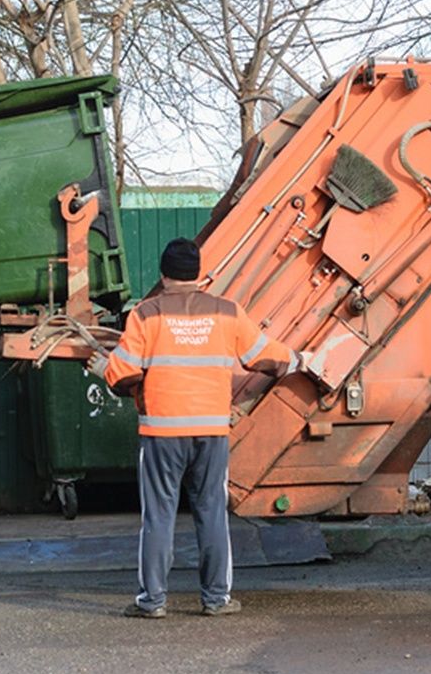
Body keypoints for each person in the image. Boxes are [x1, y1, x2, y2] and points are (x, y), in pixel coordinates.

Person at [89, 237, 308, 618]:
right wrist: (299, 359)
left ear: (163, 274)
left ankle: (152, 601)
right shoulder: (227, 312)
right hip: (211, 432)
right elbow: (264, 357)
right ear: (199, 274)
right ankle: (216, 599)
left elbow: (123, 374)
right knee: (211, 512)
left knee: (158, 515)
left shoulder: (145, 314)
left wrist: (103, 368)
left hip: (161, 434)